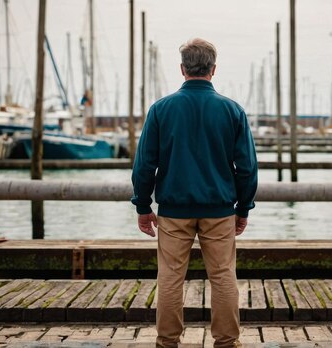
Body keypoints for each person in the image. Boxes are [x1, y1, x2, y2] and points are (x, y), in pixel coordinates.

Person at [131, 38, 258, 348]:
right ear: (213, 69)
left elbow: (145, 164)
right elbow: (247, 167)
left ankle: (168, 342)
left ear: (182, 69)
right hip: (219, 209)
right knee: (223, 276)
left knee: (170, 278)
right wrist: (243, 208)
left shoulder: (161, 109)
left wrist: (143, 206)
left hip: (174, 210)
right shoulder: (232, 110)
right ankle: (227, 342)